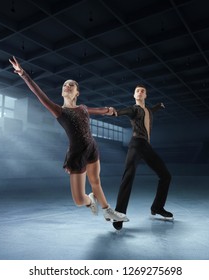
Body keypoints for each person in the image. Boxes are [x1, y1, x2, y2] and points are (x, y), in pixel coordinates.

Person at [9, 56, 128, 223]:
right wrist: (23, 74)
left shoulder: (83, 108)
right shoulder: (59, 111)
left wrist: (108, 110)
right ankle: (90, 200)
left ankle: (108, 211)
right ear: (62, 91)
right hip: (77, 154)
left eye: (71, 84)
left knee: (96, 181)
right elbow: (38, 93)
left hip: (92, 148)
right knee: (79, 200)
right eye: (65, 85)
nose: (67, 86)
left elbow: (96, 110)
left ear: (77, 92)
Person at [112, 84, 172, 230]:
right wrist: (111, 111)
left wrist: (160, 105)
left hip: (147, 146)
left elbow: (153, 109)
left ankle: (157, 207)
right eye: (137, 91)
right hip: (136, 144)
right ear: (134, 95)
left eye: (142, 91)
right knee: (128, 177)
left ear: (145, 95)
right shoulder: (133, 109)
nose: (139, 92)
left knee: (166, 176)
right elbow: (121, 112)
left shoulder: (149, 110)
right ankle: (119, 215)